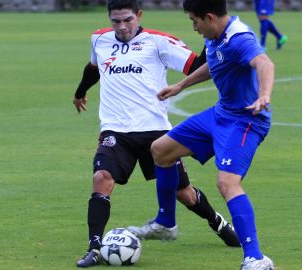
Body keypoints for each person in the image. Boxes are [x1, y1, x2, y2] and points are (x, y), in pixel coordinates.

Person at [73, 0, 240, 267]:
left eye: (128, 20)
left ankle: (217, 221)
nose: (122, 26)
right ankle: (94, 247)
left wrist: (218, 39)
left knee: (183, 193)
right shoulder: (99, 39)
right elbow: (93, 68)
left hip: (156, 133)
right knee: (101, 178)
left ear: (139, 15)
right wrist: (81, 91)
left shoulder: (160, 42)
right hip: (115, 130)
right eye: (116, 21)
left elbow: (195, 64)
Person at [127, 0, 275, 269]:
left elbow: (264, 62)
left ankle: (255, 258)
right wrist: (181, 85)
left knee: (227, 183)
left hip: (246, 121)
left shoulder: (238, 38)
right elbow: (214, 64)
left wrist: (264, 95)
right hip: (220, 115)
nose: (194, 28)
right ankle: (165, 223)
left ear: (209, 17)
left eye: (195, 21)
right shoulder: (215, 37)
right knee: (161, 150)